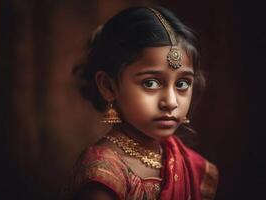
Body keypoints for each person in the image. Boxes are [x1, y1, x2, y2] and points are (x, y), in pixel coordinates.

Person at [69, 6, 218, 200]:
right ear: (108, 86)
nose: (171, 102)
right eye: (151, 83)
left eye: (182, 83)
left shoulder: (193, 166)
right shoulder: (103, 173)